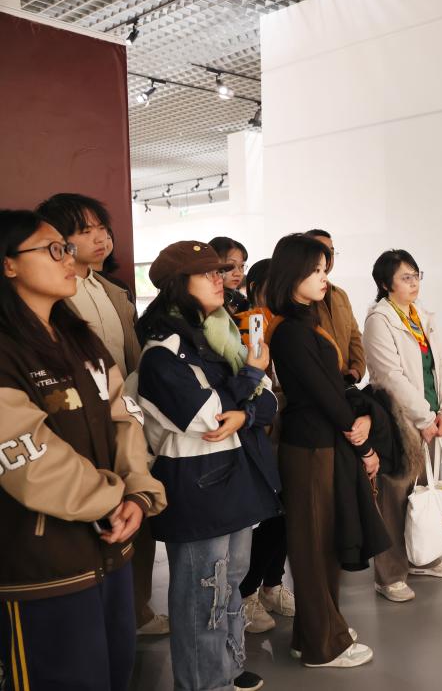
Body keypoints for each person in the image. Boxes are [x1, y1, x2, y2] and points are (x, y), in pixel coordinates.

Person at [0, 210, 166, 691]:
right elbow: (26, 455)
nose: (68, 259)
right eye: (54, 249)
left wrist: (137, 491)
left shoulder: (80, 339)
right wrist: (111, 499)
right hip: (42, 565)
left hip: (110, 551)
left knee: (114, 672)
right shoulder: (7, 350)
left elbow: (124, 413)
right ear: (8, 263)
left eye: (67, 249)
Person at [134, 241, 281, 691]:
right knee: (203, 592)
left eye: (221, 272)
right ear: (178, 285)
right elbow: (206, 418)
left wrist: (246, 410)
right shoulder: (163, 352)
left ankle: (227, 670)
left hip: (233, 477)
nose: (221, 280)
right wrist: (250, 379)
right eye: (209, 274)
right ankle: (202, 682)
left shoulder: (220, 339)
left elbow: (270, 403)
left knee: (229, 582)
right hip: (198, 487)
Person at [34, 193, 165, 636]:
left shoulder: (114, 291)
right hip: (77, 424)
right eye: (84, 231)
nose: (100, 238)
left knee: (138, 508)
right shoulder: (53, 296)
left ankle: (138, 610)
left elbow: (131, 359)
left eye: (102, 228)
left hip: (126, 413)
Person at [266, 234, 389, 669]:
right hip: (309, 447)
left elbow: (334, 385)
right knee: (313, 547)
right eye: (316, 270)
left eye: (325, 268)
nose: (325, 277)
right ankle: (323, 645)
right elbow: (325, 392)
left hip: (322, 442)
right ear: (292, 273)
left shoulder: (306, 321)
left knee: (324, 544)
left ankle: (313, 633)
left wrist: (360, 421)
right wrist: (363, 441)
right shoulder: (290, 331)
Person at [363, 249, 442, 603]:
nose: (414, 282)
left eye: (417, 275)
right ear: (385, 283)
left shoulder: (421, 316)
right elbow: (390, 376)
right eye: (406, 277)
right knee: (395, 496)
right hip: (399, 420)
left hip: (429, 418)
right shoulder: (380, 319)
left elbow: (440, 365)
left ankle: (424, 556)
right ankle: (389, 575)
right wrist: (424, 418)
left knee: (424, 490)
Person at [232, 259, 294, 634]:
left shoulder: (291, 321)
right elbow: (249, 380)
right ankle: (247, 593)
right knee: (264, 515)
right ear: (257, 287)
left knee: (285, 512)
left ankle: (272, 584)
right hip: (259, 429)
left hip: (288, 428)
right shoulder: (246, 321)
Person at [304, 229, 366, 383]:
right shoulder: (302, 297)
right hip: (318, 383)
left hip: (347, 383)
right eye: (321, 250)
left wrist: (357, 370)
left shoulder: (340, 295)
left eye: (331, 251)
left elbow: (355, 336)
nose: (328, 256)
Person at [209, 236, 250, 316]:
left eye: (242, 266)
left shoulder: (242, 301)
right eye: (230, 265)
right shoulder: (205, 300)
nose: (238, 273)